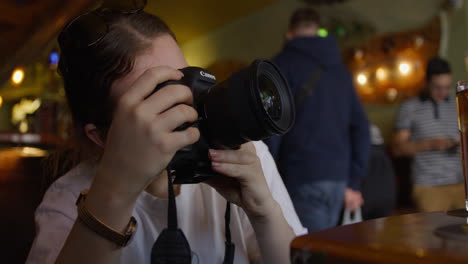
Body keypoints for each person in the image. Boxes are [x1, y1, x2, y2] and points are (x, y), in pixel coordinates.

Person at [26, 4, 306, 264]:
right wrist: (115, 188)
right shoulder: (67, 203)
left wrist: (263, 211)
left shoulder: (243, 156)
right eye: (158, 100)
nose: (187, 109)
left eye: (187, 84)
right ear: (101, 136)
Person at [265, 7, 371, 232]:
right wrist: (354, 182)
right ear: (318, 31)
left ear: (289, 34)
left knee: (305, 252)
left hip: (302, 176)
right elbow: (361, 127)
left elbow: (272, 126)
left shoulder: (282, 65)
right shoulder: (341, 70)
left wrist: (265, 177)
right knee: (327, 247)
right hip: (339, 180)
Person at [392, 56, 464, 212]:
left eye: (446, 87)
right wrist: (430, 144)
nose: (442, 92)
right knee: (432, 233)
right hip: (428, 187)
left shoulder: (457, 103)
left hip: (460, 184)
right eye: (437, 87)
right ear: (426, 82)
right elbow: (398, 149)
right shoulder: (409, 107)